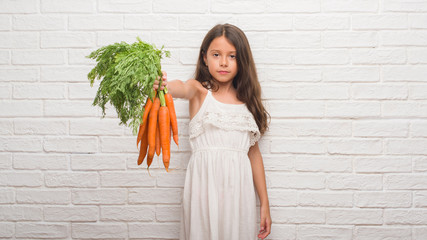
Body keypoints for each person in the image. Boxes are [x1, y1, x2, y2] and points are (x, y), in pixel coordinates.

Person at [154, 23, 271, 240]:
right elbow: (182, 87)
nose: (224, 62)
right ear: (205, 58)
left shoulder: (247, 103)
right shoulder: (199, 91)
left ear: (241, 60)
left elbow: (253, 154)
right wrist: (165, 85)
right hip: (203, 188)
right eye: (216, 54)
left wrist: (264, 203)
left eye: (232, 56)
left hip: (239, 192)